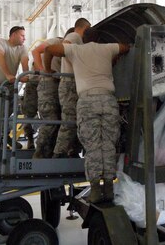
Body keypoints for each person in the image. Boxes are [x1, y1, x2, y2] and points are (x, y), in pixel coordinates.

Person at [44, 27, 130, 203]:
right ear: (99, 38)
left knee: (93, 145)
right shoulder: (107, 48)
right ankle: (109, 188)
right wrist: (113, 57)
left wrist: (47, 70)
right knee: (108, 144)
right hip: (108, 100)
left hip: (87, 101)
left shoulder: (77, 49)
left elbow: (48, 49)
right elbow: (125, 47)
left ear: (83, 38)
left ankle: (96, 191)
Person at [52, 18, 91, 158]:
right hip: (69, 83)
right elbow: (65, 47)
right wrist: (77, 64)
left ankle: (71, 151)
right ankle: (58, 154)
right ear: (85, 28)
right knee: (69, 120)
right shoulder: (74, 36)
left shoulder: (78, 39)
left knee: (74, 120)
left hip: (73, 83)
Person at [0, 26, 29, 149]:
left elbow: (24, 63)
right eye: (22, 35)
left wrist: (26, 76)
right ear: (14, 35)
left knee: (8, 112)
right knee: (0, 112)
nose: (24, 38)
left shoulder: (22, 48)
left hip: (11, 83)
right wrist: (8, 74)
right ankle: (0, 141)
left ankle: (4, 137)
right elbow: (0, 57)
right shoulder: (1, 43)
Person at [32, 36, 64, 158]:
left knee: (59, 121)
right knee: (51, 120)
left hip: (58, 84)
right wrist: (44, 70)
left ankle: (48, 153)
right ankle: (39, 152)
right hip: (49, 84)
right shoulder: (57, 41)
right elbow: (35, 51)